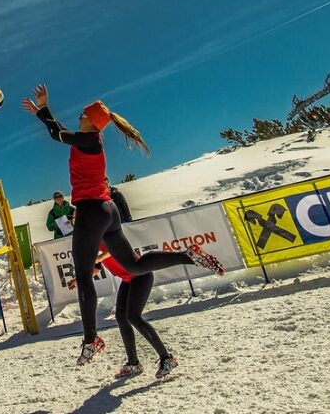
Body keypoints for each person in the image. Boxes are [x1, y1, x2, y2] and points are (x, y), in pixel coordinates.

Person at [22, 84, 224, 366]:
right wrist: (41, 112)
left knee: (83, 276)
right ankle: (186, 255)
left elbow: (57, 133)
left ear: (91, 121)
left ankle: (91, 340)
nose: (78, 116)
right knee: (133, 266)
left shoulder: (89, 140)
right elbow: (60, 131)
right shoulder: (89, 140)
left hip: (91, 210)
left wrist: (43, 109)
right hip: (108, 210)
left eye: (82, 114)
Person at [97, 245, 177, 379]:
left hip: (141, 275)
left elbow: (112, 249)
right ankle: (133, 364)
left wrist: (98, 257)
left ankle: (167, 358)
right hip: (128, 279)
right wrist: (78, 280)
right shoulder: (90, 245)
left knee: (134, 316)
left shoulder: (101, 236)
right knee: (121, 317)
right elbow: (95, 269)